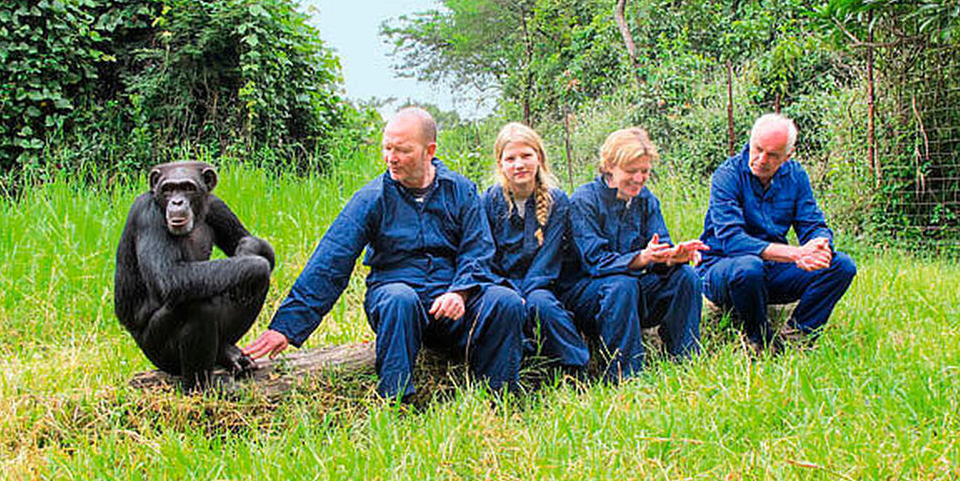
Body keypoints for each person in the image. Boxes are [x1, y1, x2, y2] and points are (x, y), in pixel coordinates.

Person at [244, 107, 525, 399]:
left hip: (452, 303)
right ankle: (397, 400)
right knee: (399, 299)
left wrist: (460, 292)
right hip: (397, 302)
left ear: (430, 150)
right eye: (387, 148)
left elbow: (477, 251)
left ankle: (498, 397)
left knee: (504, 301)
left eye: (402, 150)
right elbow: (330, 262)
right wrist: (285, 328)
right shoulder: (371, 198)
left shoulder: (461, 191)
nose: (391, 158)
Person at [697, 113, 857, 353]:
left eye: (772, 155)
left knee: (841, 265)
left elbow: (812, 223)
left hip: (771, 270)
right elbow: (733, 241)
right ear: (750, 142)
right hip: (724, 270)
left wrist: (819, 245)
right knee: (748, 267)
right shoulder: (727, 175)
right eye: (758, 149)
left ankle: (796, 336)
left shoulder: (796, 176)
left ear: (787, 156)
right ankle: (758, 340)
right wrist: (795, 254)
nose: (762, 159)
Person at [561, 128, 706, 381]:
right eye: (631, 171)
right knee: (622, 283)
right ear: (609, 167)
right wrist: (643, 258)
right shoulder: (584, 200)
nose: (639, 179)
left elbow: (660, 248)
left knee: (686, 276)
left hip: (633, 291)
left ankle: (685, 361)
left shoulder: (647, 200)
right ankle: (624, 376)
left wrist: (675, 256)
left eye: (645, 171)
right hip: (588, 297)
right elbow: (595, 261)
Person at [482, 123, 589, 378]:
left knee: (543, 305)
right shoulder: (488, 201)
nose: (519, 164)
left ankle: (578, 371)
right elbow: (484, 256)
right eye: (511, 158)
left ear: (538, 158)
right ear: (501, 164)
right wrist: (510, 291)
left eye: (526, 156)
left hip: (542, 282)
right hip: (499, 284)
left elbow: (548, 259)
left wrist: (526, 294)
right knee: (508, 307)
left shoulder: (557, 201)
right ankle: (514, 379)